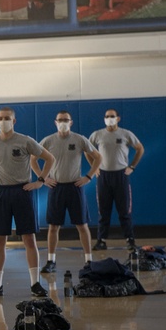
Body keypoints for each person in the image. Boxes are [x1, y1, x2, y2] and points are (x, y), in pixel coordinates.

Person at [0, 106, 55, 298]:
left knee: (29, 238)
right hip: (1, 193)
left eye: (7, 118)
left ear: (14, 121)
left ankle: (35, 283)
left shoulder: (25, 140)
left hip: (23, 192)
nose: (3, 121)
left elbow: (49, 158)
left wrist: (40, 181)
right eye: (0, 118)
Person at [37, 111, 102, 272]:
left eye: (66, 120)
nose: (63, 122)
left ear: (71, 122)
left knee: (82, 225)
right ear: (55, 122)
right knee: (53, 227)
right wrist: (43, 178)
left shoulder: (79, 139)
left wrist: (88, 176)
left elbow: (98, 157)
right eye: (60, 120)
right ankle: (51, 261)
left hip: (75, 187)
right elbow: (32, 158)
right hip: (56, 187)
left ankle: (89, 260)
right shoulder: (48, 141)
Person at [89, 108, 144, 250]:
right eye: (107, 116)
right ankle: (101, 240)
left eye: (112, 116)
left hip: (121, 175)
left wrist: (132, 166)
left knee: (124, 210)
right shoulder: (97, 135)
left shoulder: (126, 134)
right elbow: (87, 151)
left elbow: (140, 149)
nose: (109, 118)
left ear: (118, 118)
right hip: (103, 176)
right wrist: (94, 168)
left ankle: (130, 240)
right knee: (103, 210)